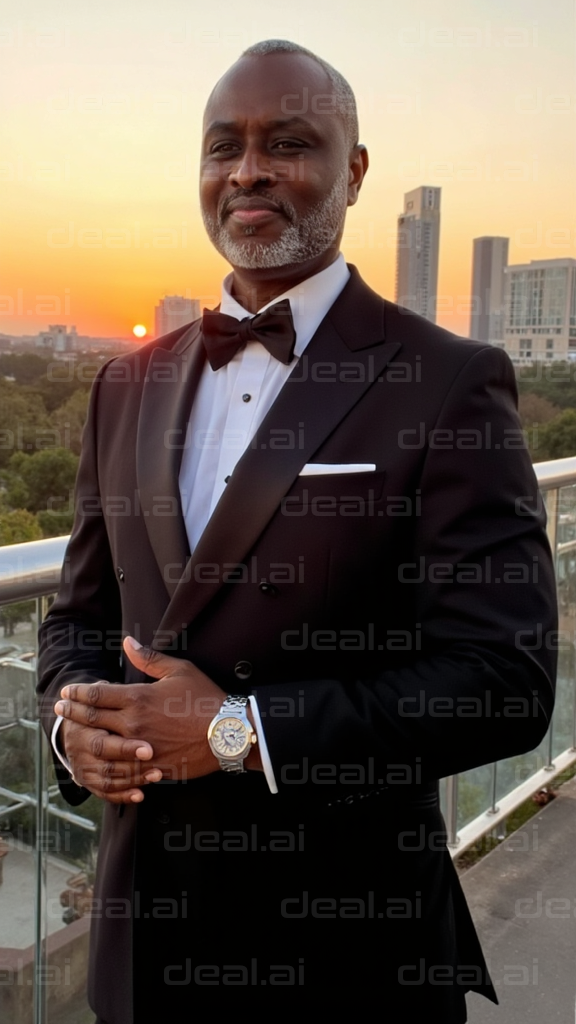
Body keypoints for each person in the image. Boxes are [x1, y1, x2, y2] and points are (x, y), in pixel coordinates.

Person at [37, 39, 557, 1023]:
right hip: (146, 944)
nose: (248, 171)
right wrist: (75, 732)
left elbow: (505, 683)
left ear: (352, 172)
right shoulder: (126, 383)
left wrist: (235, 731)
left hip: (347, 950)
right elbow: (78, 618)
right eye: (222, 146)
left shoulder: (447, 380)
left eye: (287, 143)